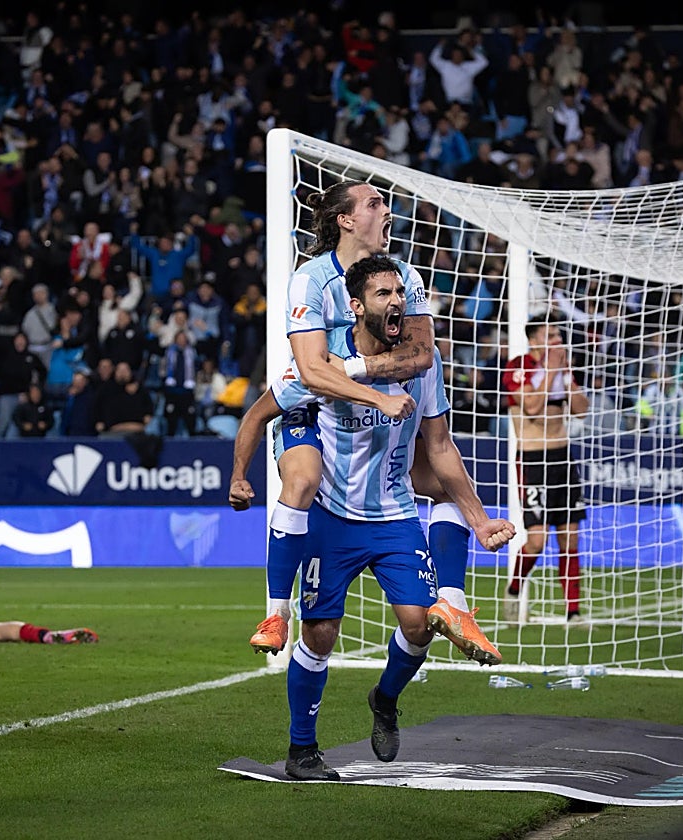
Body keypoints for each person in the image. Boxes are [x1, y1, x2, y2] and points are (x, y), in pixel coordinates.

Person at [264, 256, 514, 780]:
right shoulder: (327, 362)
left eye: (399, 292)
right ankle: (301, 750)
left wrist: (480, 518)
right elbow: (266, 407)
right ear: (356, 306)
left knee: (420, 627)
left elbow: (440, 447)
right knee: (321, 634)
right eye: (382, 293)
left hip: (395, 513)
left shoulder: (426, 363)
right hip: (332, 516)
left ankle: (385, 697)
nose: (396, 301)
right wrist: (244, 469)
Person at [241, 180, 497, 666]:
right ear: (345, 219)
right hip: (319, 400)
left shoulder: (404, 274)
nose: (388, 211)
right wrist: (368, 393)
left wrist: (360, 373)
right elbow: (314, 369)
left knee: (442, 479)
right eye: (375, 204)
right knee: (302, 478)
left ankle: (454, 605)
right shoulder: (312, 278)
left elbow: (421, 353)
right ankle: (275, 612)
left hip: (370, 385)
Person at [502, 320, 590, 624]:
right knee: (537, 541)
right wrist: (552, 367)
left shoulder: (561, 370)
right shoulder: (519, 366)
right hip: (532, 460)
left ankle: (574, 610)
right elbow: (533, 407)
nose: (557, 340)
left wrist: (566, 377)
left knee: (570, 538)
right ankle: (514, 588)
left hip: (563, 458)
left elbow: (581, 409)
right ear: (535, 339)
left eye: (559, 336)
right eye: (551, 335)